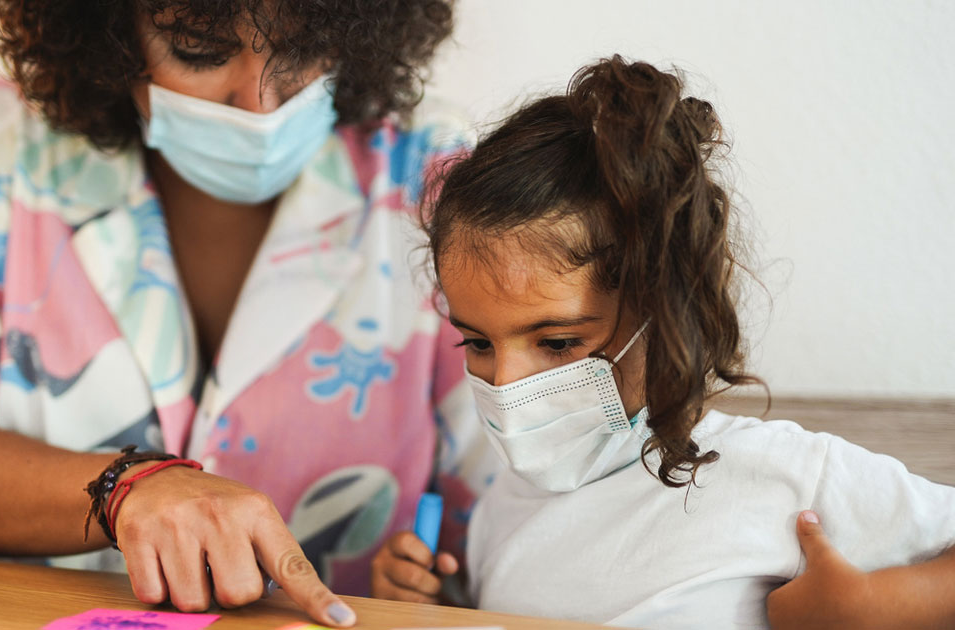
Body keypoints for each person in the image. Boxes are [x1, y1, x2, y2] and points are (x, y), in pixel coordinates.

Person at [0, 1, 499, 626]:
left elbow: (506, 497)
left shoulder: (429, 172)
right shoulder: (5, 145)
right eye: (200, 50)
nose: (260, 105)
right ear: (110, 32)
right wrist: (122, 488)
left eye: (301, 50)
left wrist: (435, 588)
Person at [370, 55, 955, 628]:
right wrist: (432, 609)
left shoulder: (783, 475)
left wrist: (877, 609)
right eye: (477, 344)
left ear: (664, 311)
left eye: (557, 343)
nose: (504, 385)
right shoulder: (505, 498)